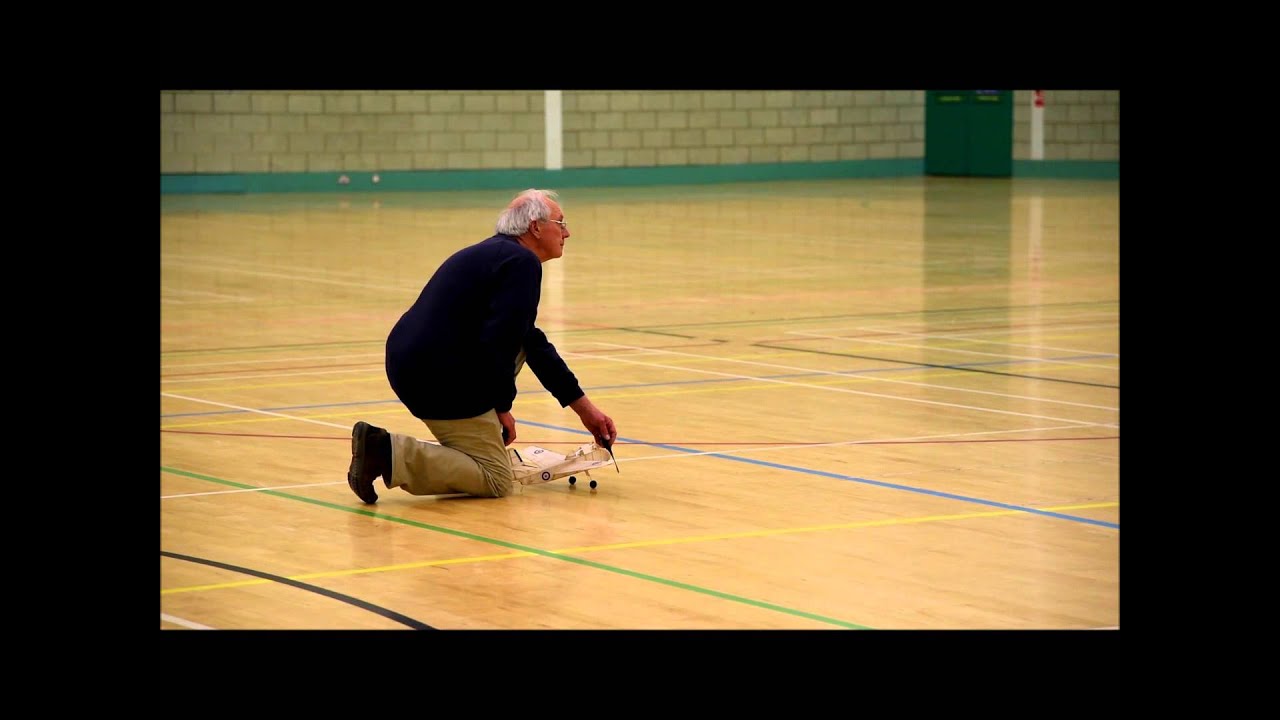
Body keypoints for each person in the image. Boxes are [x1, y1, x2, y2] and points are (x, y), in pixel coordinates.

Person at [346, 188, 617, 503]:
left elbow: (530, 341)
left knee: (522, 341)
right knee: (495, 479)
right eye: (562, 222)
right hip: (437, 373)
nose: (567, 232)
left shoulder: (497, 255)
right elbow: (499, 343)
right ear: (536, 227)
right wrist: (501, 407)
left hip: (413, 365)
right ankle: (386, 451)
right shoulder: (522, 263)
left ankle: (398, 451)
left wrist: (586, 410)